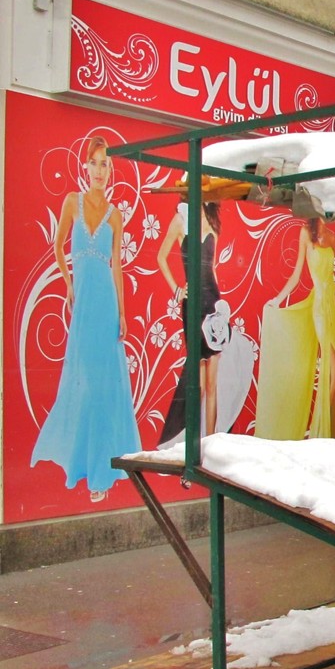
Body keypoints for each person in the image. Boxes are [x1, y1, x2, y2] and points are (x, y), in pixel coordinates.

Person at [31, 135, 141, 502]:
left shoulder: (115, 214)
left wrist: (123, 314)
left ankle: (100, 473)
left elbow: (117, 268)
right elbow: (59, 246)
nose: (99, 170)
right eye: (94, 163)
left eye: (105, 164)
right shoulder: (70, 203)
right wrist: (68, 283)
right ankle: (82, 464)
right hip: (83, 308)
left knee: (105, 389)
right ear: (85, 167)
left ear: (111, 170)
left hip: (107, 308)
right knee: (86, 386)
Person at [258, 219, 335, 439]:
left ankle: (327, 432)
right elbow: (296, 275)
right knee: (334, 371)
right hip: (319, 307)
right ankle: (320, 433)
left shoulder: (331, 236)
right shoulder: (306, 233)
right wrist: (277, 300)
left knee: (334, 373)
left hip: (332, 306)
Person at [157, 201, 224, 441]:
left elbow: (212, 268)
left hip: (213, 303)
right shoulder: (180, 219)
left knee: (212, 385)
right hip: (193, 304)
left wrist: (220, 306)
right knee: (197, 383)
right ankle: (193, 444)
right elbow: (161, 257)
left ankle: (212, 443)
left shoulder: (212, 218)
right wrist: (176, 290)